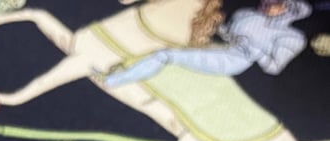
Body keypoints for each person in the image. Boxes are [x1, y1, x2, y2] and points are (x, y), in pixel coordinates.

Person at [104, 0, 312, 85]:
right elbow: (228, 34)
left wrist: (255, 49)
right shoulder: (247, 15)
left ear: (289, 9)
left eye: (278, 3)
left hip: (235, 60)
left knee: (165, 54)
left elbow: (274, 67)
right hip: (222, 47)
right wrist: (214, 22)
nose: (270, 4)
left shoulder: (292, 37)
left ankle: (114, 80)